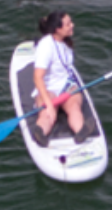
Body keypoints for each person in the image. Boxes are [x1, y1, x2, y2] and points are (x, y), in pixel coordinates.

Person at [30, 9, 86, 140]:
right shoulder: (46, 46)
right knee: (48, 114)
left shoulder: (65, 41)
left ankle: (81, 132)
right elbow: (37, 77)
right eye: (68, 24)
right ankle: (40, 133)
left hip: (66, 85)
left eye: (71, 22)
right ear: (57, 29)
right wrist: (49, 104)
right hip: (48, 88)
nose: (72, 25)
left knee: (75, 108)